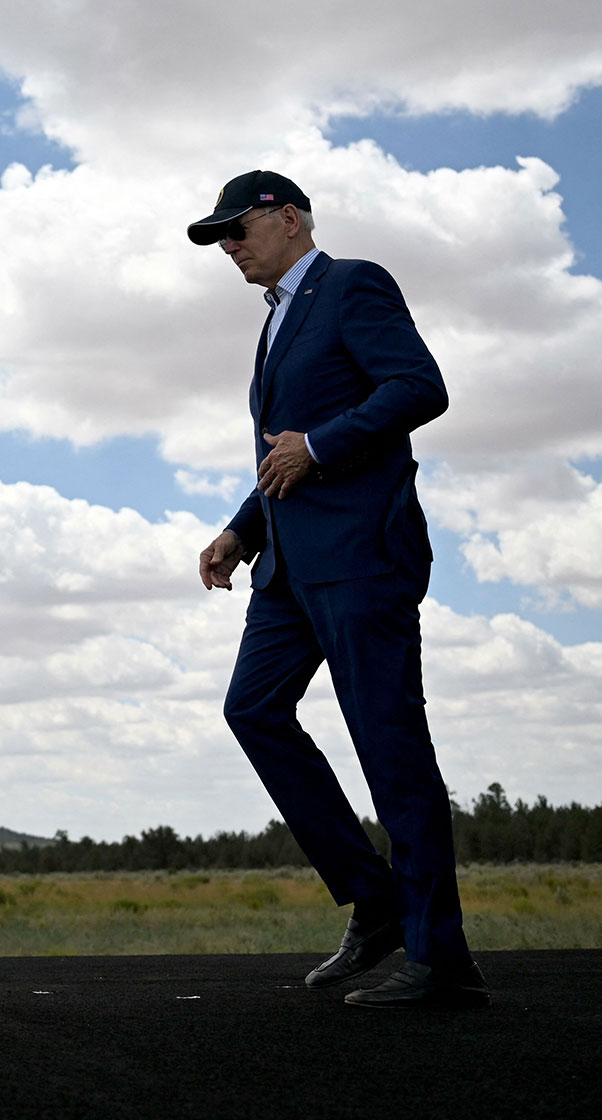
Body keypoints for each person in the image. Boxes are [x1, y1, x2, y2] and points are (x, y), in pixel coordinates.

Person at [188, 170, 487, 1008]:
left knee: (388, 744)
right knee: (251, 710)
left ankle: (443, 960)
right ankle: (374, 898)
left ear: (289, 218)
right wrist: (241, 530)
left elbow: (419, 388)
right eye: (219, 240)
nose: (229, 248)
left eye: (237, 230)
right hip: (287, 568)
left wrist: (318, 445)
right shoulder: (276, 322)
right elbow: (283, 449)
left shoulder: (352, 283)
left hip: (361, 557)